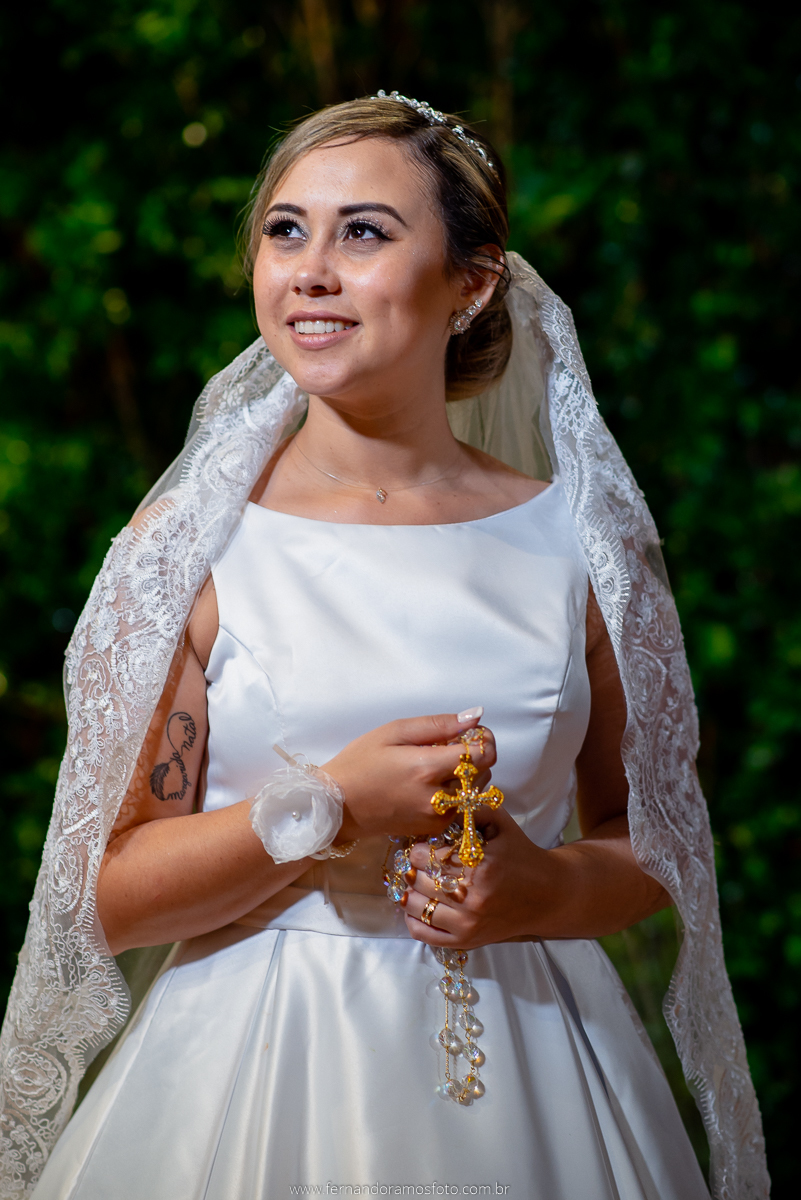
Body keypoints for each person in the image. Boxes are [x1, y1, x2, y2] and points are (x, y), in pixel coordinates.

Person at [0, 94, 767, 1200]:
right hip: (254, 1065)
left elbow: (653, 845)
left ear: (472, 284)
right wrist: (323, 807)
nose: (310, 268)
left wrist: (540, 891)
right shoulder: (188, 547)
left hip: (541, 1064)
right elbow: (105, 896)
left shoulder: (579, 546)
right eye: (285, 229)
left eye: (363, 231)